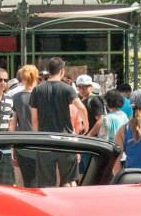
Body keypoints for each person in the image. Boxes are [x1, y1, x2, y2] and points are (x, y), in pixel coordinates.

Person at [31, 57, 85, 186]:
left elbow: (34, 118)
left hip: (45, 140)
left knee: (46, 182)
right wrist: (86, 123)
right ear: (62, 71)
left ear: (49, 71)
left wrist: (38, 137)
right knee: (69, 180)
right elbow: (81, 107)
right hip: (65, 140)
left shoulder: (37, 90)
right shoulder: (67, 88)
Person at [10, 64, 41, 187]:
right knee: (43, 181)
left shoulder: (16, 97)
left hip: (23, 143)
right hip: (42, 142)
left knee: (28, 181)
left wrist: (12, 146)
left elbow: (12, 124)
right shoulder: (42, 95)